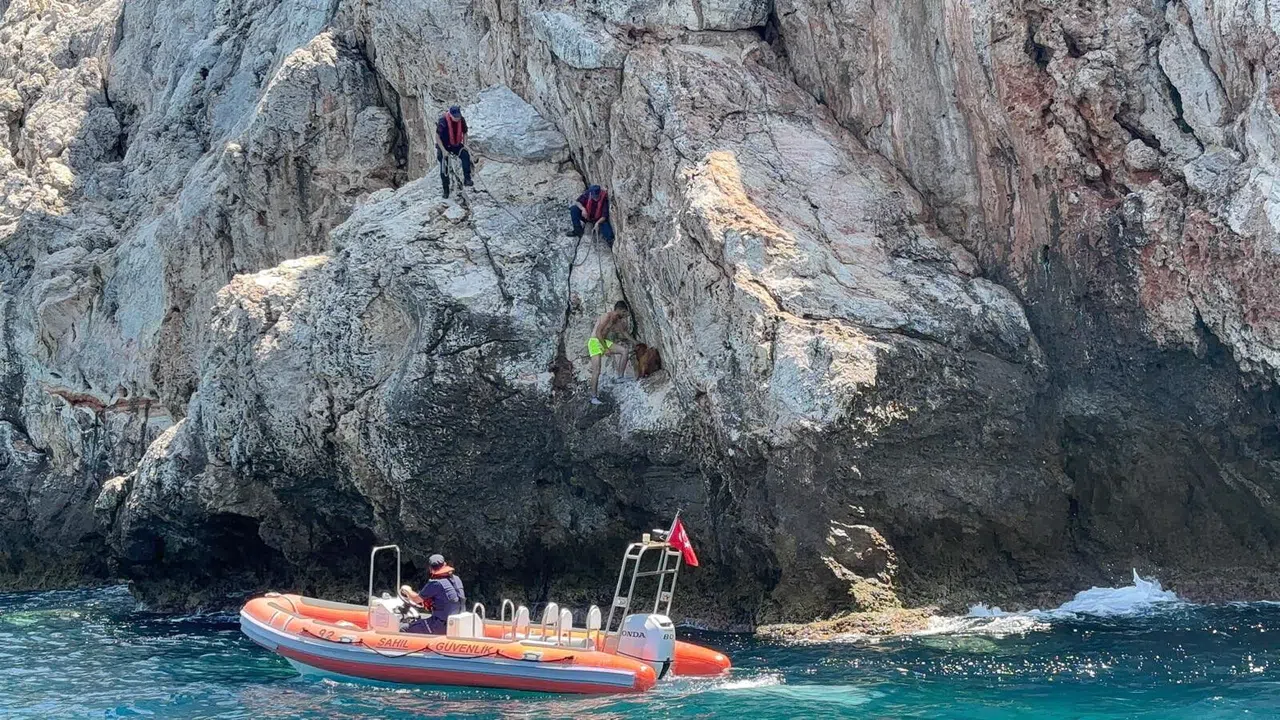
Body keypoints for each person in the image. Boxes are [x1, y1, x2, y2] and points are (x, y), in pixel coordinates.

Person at [402, 554, 466, 635]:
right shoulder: (457, 579)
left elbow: (416, 599)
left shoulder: (435, 583)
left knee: (403, 628)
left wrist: (407, 590)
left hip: (441, 626)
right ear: (445, 564)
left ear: (430, 569)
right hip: (458, 623)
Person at [588, 300, 634, 405]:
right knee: (597, 370)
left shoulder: (616, 320)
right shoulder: (606, 317)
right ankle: (593, 397)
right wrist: (605, 349)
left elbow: (624, 333)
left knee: (624, 351)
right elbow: (598, 332)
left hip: (603, 341)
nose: (625, 315)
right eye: (624, 312)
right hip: (595, 342)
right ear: (619, 310)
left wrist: (636, 342)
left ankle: (620, 377)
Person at [436, 106, 473, 198]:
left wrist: (465, 145)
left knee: (465, 155)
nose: (457, 118)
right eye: (455, 117)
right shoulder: (443, 121)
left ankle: (467, 179)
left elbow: (465, 132)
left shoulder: (461, 120)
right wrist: (443, 151)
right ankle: (446, 190)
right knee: (444, 166)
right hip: (444, 145)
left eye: (458, 117)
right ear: (451, 115)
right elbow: (437, 137)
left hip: (455, 144)